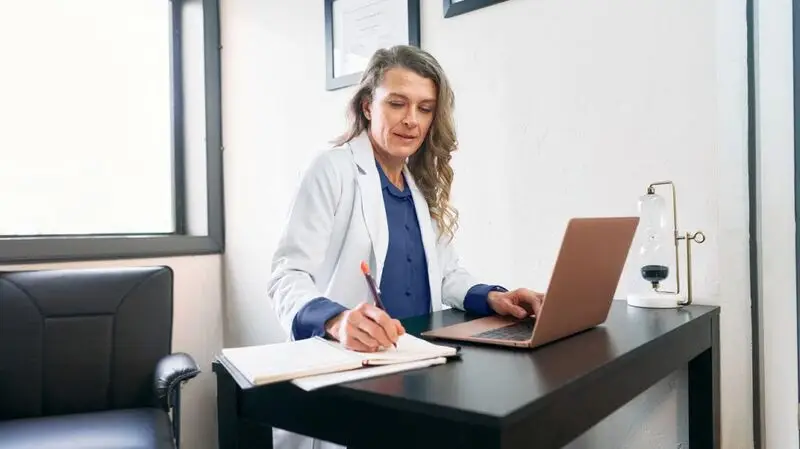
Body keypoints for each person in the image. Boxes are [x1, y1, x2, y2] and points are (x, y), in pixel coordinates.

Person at [266, 45, 544, 449]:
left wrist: (496, 297)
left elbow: (447, 274)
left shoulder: (419, 186)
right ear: (366, 106)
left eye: (425, 108)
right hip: (352, 372)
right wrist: (337, 320)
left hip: (417, 366)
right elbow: (286, 276)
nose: (411, 120)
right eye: (397, 103)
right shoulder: (334, 169)